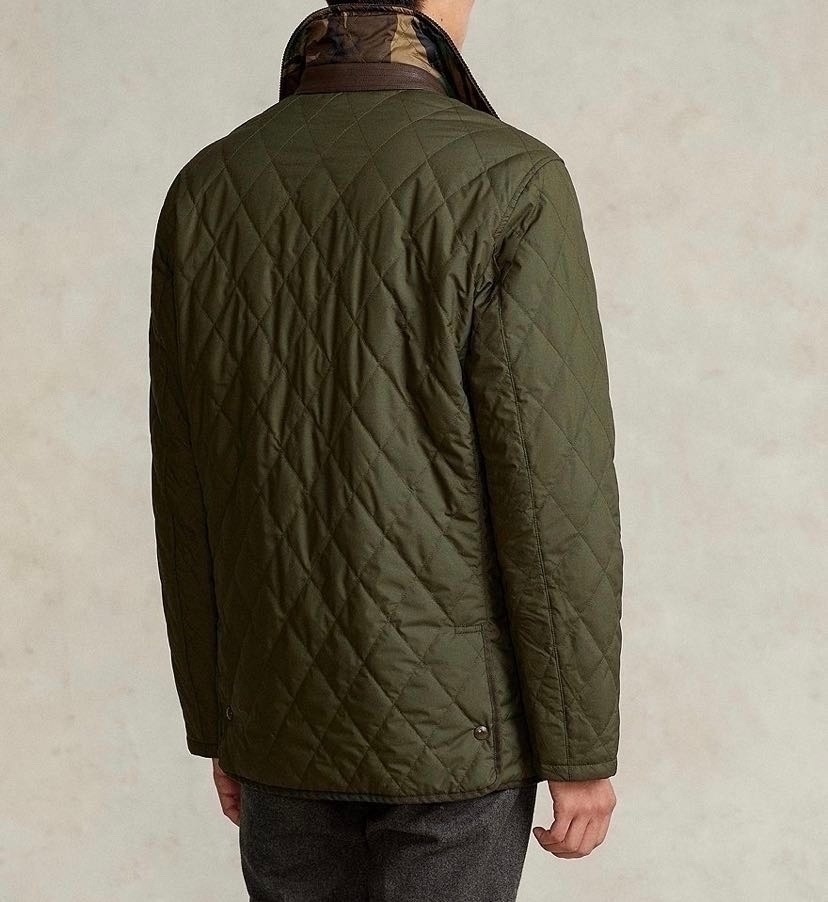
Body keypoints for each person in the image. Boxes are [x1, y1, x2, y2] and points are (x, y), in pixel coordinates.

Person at [148, 1, 624, 898]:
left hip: (277, 718)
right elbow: (551, 490)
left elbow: (187, 489)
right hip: (457, 740)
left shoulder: (208, 186)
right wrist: (580, 747)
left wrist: (220, 721)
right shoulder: (512, 179)